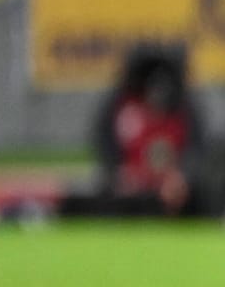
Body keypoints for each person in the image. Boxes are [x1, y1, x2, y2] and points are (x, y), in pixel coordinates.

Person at [60, 43, 204, 218]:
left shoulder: (182, 114)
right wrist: (117, 174)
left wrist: (181, 177)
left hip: (169, 189)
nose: (156, 98)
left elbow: (194, 150)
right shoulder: (124, 110)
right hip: (130, 189)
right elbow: (107, 148)